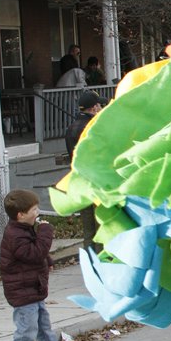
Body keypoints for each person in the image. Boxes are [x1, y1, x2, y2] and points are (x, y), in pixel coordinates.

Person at [0, 189, 78, 341]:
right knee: (26, 330)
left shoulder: (24, 230)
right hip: (22, 291)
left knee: (43, 327)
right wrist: (46, 232)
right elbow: (33, 253)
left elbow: (36, 252)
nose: (38, 212)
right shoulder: (15, 234)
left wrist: (47, 259)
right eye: (34, 209)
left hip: (33, 288)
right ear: (21, 215)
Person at [65, 90, 105, 248]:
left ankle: (90, 263)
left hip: (80, 181)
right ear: (95, 107)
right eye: (100, 105)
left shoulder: (72, 128)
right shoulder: (94, 127)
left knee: (88, 231)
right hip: (97, 182)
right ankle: (103, 265)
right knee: (101, 227)